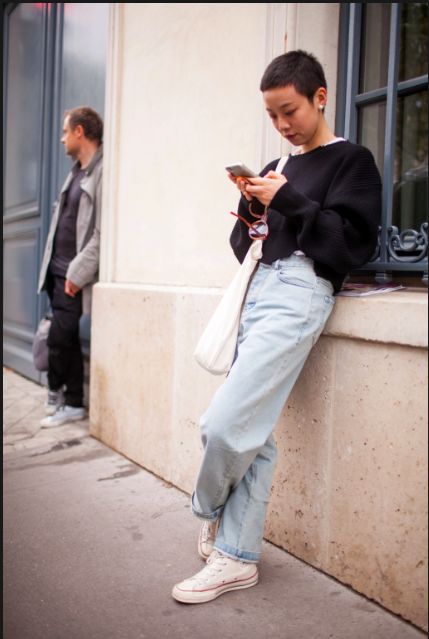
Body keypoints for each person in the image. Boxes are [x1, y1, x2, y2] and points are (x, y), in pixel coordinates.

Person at [172, 50, 382, 604]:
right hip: (260, 292)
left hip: (300, 295)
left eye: (288, 111)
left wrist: (287, 200)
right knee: (253, 433)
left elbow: (350, 245)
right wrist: (252, 210)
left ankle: (208, 511)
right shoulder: (279, 166)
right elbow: (250, 248)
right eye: (271, 116)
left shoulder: (351, 161)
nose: (282, 125)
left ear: (320, 97)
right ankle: (237, 558)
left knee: (223, 425)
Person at [38, 106, 103, 427]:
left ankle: (59, 394)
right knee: (65, 338)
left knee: (58, 339)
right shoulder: (76, 171)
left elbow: (102, 233)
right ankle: (72, 400)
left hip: (73, 274)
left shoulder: (102, 172)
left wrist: (78, 272)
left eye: (66, 132)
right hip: (56, 269)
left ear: (80, 131)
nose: (62, 139)